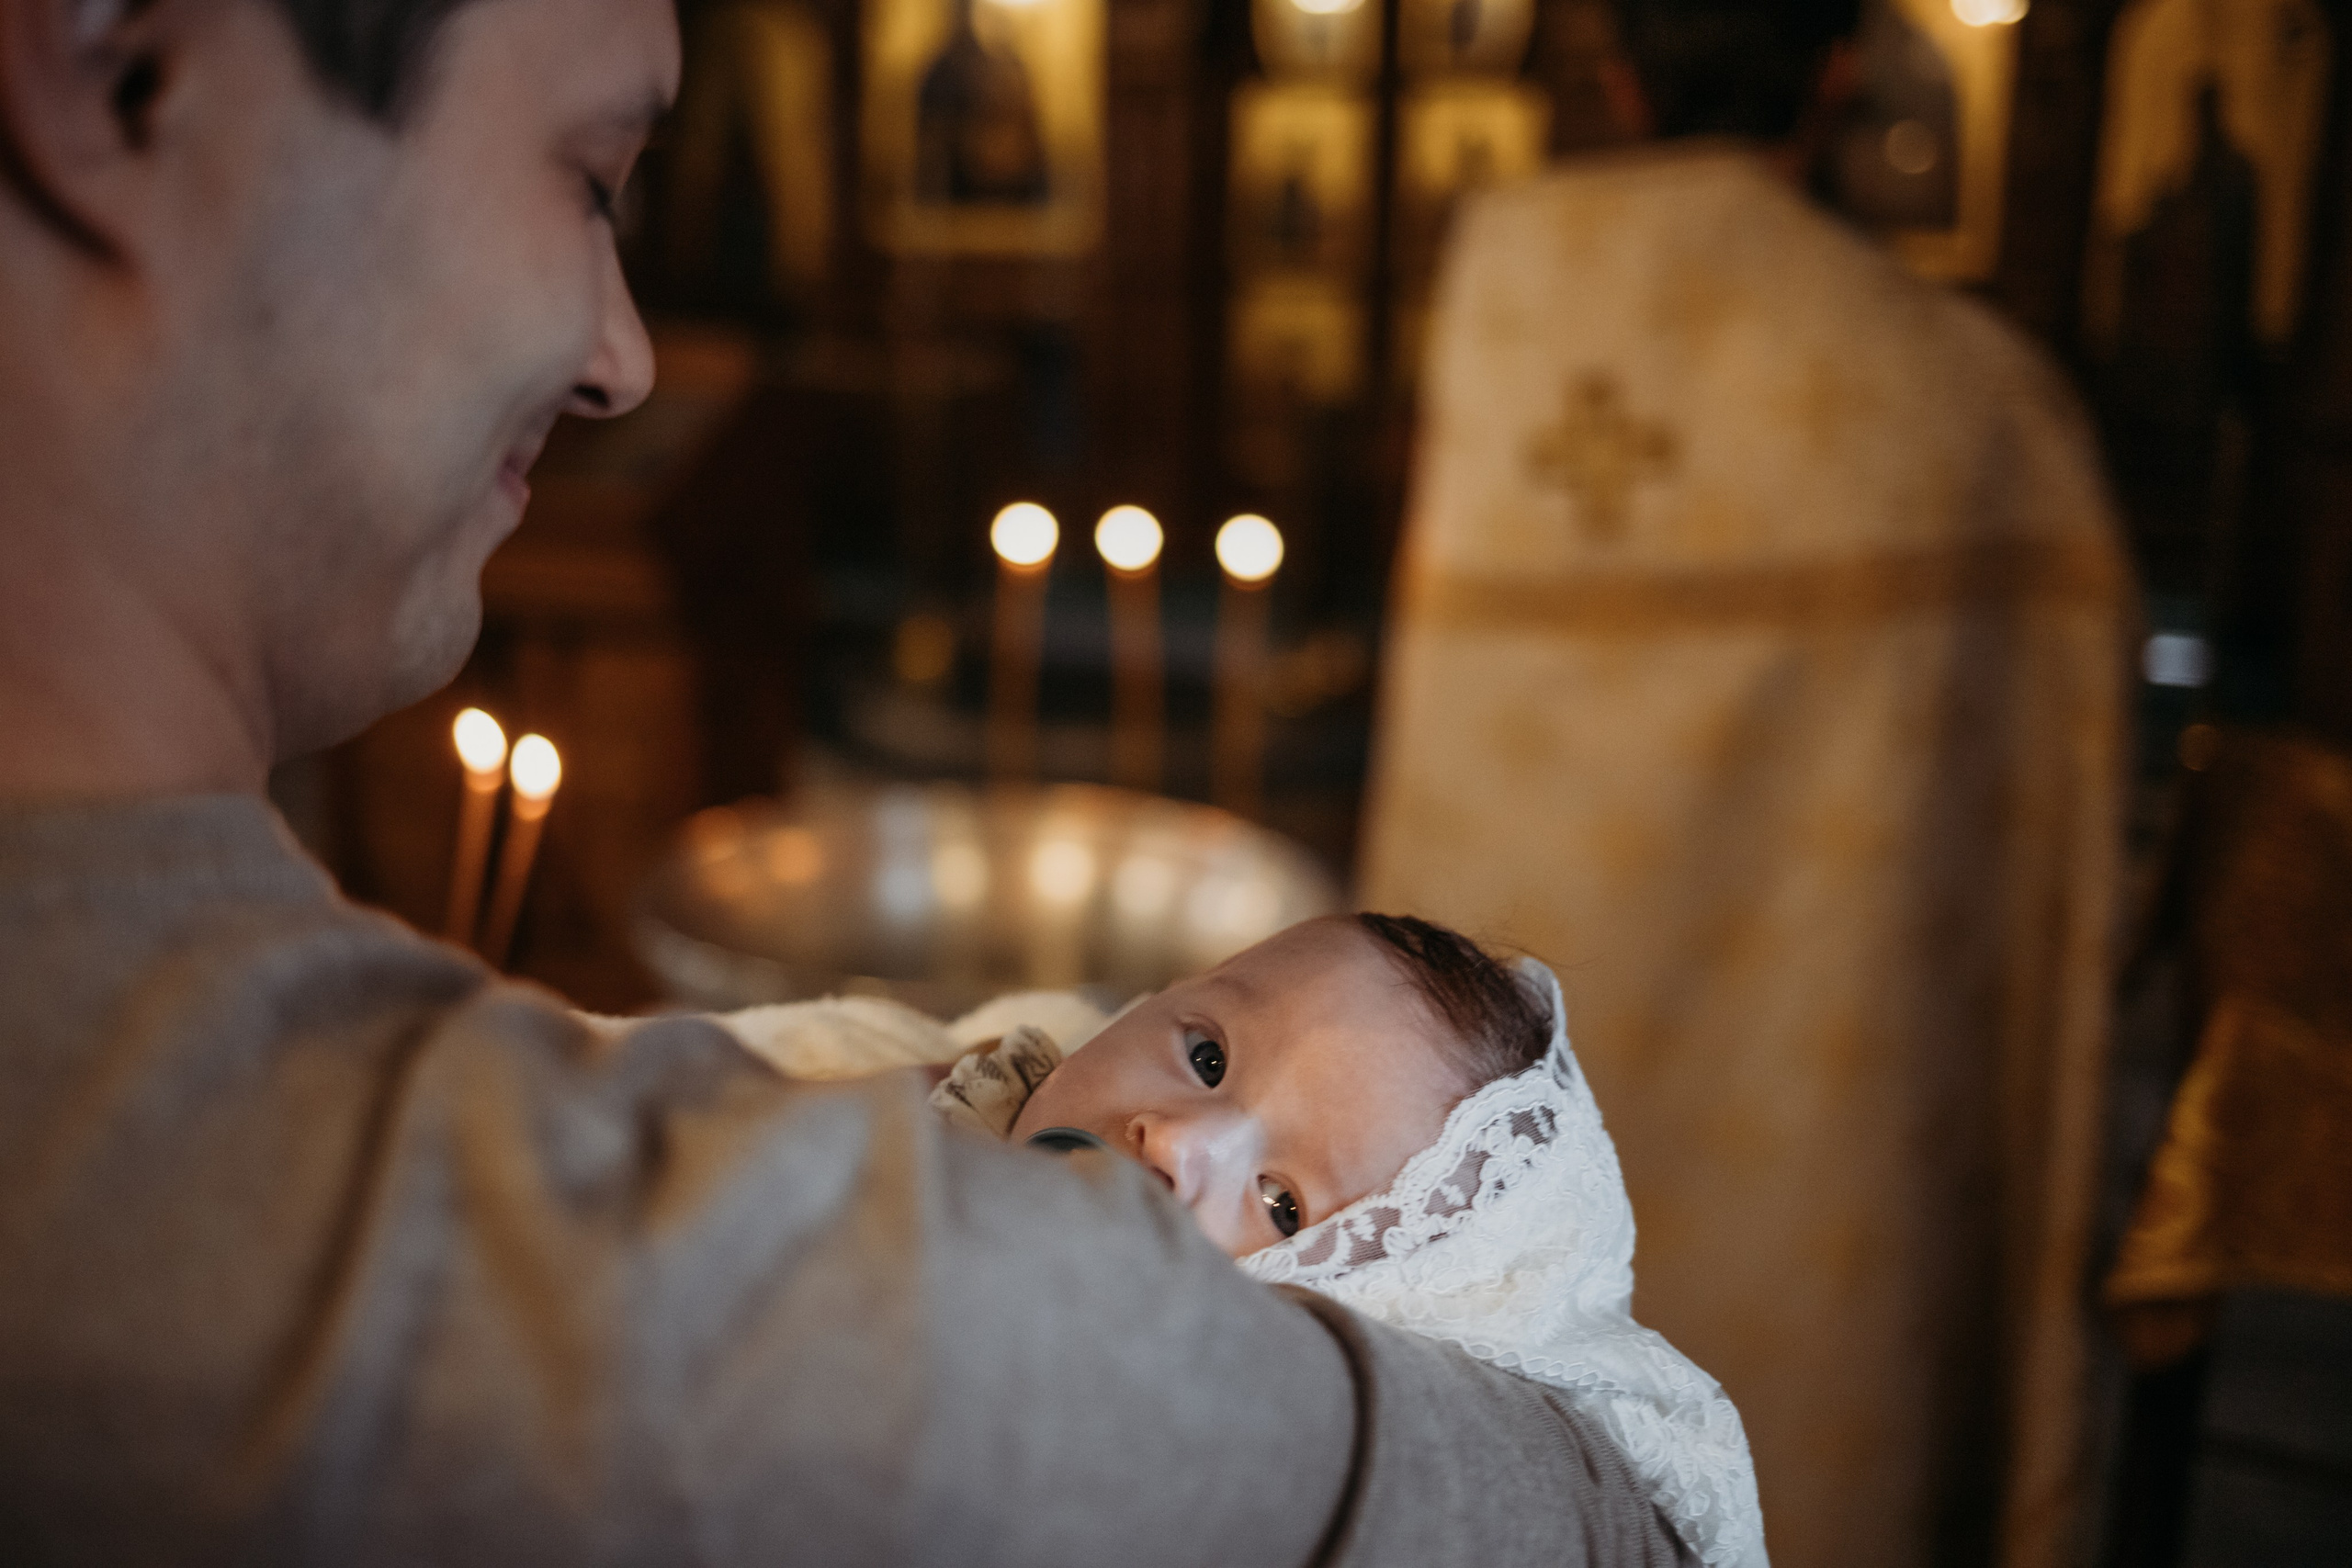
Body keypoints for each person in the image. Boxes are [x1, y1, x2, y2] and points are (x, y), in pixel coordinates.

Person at [0, 0, 1692, 1563]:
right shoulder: (328, 1211)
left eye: (1291, 1197)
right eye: (588, 176)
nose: (622, 356)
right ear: (115, 60)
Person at [1354, 4, 2132, 1567]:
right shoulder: (1975, 399)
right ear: (1838, 69)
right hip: (1839, 1129)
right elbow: (2046, 801)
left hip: (1500, 1062)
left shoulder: (1514, 314)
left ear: (1612, 64)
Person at [898, 913, 1770, 1568]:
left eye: (1283, 1206)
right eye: (1207, 1058)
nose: (1178, 1142)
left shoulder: (1161, 1424)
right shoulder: (965, 1078)